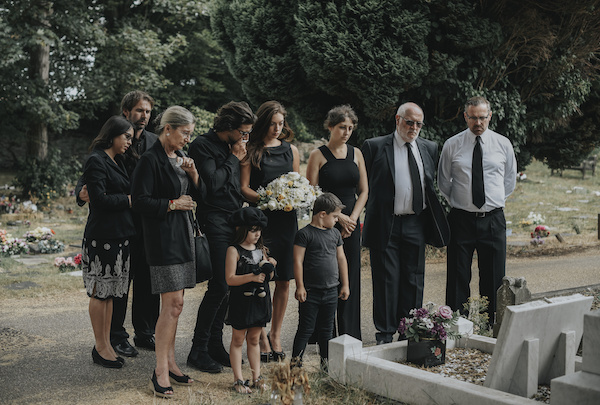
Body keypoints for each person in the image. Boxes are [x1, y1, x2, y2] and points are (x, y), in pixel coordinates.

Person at [76, 90, 160, 357]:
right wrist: (80, 192)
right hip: (117, 223)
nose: (144, 116)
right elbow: (90, 174)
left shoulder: (155, 142)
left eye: (147, 111)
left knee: (147, 281)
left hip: (147, 223)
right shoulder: (113, 142)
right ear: (126, 113)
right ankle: (116, 336)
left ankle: (146, 332)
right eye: (139, 111)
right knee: (118, 283)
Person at [361, 102, 450, 344]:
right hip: (385, 223)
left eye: (418, 123)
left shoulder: (429, 147)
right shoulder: (375, 146)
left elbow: (431, 186)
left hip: (416, 223)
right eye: (409, 122)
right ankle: (385, 332)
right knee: (386, 279)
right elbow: (364, 186)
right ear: (398, 119)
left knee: (413, 278)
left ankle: (409, 328)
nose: (414, 127)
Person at [131, 106, 201, 398]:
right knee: (171, 305)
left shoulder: (181, 159)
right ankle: (159, 370)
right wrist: (173, 204)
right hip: (162, 239)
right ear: (168, 128)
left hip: (183, 236)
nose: (188, 138)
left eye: (190, 133)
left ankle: (171, 362)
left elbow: (199, 197)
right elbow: (139, 201)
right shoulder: (150, 160)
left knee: (178, 305)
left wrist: (194, 174)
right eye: (185, 132)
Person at [187, 101, 257, 373]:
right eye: (242, 132)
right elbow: (211, 187)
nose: (245, 138)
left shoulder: (234, 146)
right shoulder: (202, 146)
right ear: (228, 127)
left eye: (248, 133)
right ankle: (198, 349)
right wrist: (233, 158)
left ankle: (215, 345)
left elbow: (234, 187)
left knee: (229, 288)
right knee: (220, 284)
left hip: (234, 218)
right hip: (214, 219)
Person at [438, 96, 517, 324]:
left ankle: (489, 323)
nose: (478, 123)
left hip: (493, 219)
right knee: (457, 275)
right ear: (466, 116)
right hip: (461, 219)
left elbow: (509, 180)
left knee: (493, 276)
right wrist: (462, 202)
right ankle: (456, 325)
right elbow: (444, 181)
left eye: (482, 117)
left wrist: (493, 201)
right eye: (473, 118)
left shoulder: (503, 144)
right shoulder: (452, 145)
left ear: (489, 116)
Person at [240, 100, 300, 362]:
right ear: (263, 123)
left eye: (281, 124)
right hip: (261, 223)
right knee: (260, 277)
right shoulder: (251, 150)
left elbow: (297, 185)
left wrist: (292, 200)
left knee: (284, 279)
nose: (277, 128)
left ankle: (275, 333)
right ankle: (261, 335)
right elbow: (243, 188)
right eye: (273, 124)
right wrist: (268, 201)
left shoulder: (292, 151)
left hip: (287, 222)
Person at [306, 105, 368, 340]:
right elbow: (311, 193)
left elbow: (364, 191)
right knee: (327, 274)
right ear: (330, 126)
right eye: (342, 127)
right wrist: (337, 216)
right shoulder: (317, 155)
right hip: (326, 223)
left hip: (352, 223)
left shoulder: (357, 154)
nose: (347, 132)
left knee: (350, 274)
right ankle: (325, 333)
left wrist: (351, 219)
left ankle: (350, 333)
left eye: (350, 128)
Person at [81, 115, 135, 369]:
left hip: (121, 235)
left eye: (131, 138)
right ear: (113, 134)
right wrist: (129, 200)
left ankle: (107, 344)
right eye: (126, 137)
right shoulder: (96, 159)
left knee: (112, 292)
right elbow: (98, 199)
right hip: (101, 236)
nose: (128, 142)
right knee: (99, 292)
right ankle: (100, 347)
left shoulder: (119, 160)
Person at [291, 193, 349, 368]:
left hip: (331, 291)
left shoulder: (335, 234)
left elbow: (341, 259)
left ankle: (326, 367)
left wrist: (345, 284)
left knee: (327, 330)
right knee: (306, 329)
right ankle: (295, 366)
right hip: (311, 292)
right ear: (322, 214)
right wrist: (300, 286)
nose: (337, 220)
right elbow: (297, 261)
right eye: (335, 217)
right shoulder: (304, 234)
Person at [224, 207, 276, 394]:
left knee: (254, 339)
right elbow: (230, 279)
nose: (257, 234)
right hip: (241, 301)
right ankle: (238, 379)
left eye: (259, 230)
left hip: (260, 300)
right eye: (252, 230)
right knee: (238, 339)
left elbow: (267, 276)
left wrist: (270, 268)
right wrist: (251, 278)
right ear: (240, 229)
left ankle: (257, 377)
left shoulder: (261, 250)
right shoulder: (233, 250)